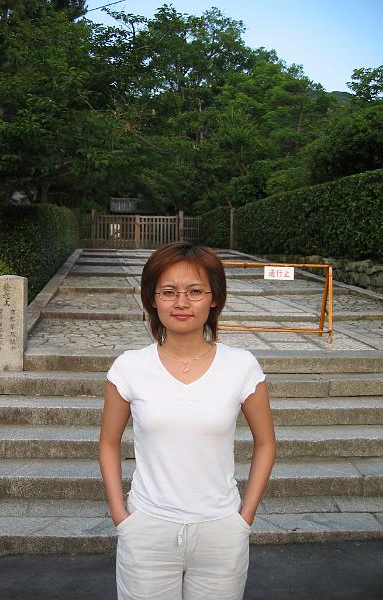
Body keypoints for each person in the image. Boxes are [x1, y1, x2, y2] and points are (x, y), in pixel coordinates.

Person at [98, 242, 276, 600]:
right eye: (168, 292)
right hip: (147, 527)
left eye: (195, 291)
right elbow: (108, 443)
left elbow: (266, 442)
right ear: (153, 299)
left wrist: (244, 518)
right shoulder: (129, 367)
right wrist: (121, 514)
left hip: (221, 529)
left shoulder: (241, 366)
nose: (181, 302)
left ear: (214, 298)